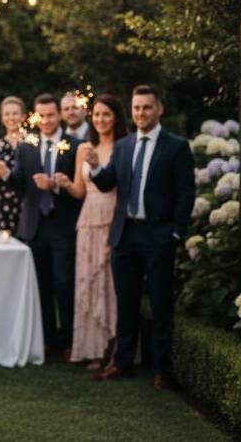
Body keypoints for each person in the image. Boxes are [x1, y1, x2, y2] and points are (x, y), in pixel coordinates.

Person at [88, 85, 195, 389]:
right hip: (125, 233)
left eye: (146, 107)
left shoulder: (176, 146)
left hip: (158, 234)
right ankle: (123, 363)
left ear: (159, 109)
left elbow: (186, 193)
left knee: (161, 304)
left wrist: (175, 232)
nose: (140, 113)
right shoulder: (123, 145)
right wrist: (96, 168)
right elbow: (109, 183)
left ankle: (162, 369)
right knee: (126, 303)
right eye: (136, 108)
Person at [0, 93, 82, 361]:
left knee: (64, 284)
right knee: (40, 285)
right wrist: (5, 173)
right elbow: (18, 182)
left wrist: (58, 184)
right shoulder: (27, 145)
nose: (47, 120)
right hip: (34, 225)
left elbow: (81, 186)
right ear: (35, 116)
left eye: (51, 115)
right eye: (41, 115)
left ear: (59, 115)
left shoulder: (75, 144)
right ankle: (48, 340)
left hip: (63, 224)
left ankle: (68, 340)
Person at [55, 94, 128, 368]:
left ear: (116, 118)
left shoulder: (124, 146)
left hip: (112, 217)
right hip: (87, 219)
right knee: (88, 282)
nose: (100, 120)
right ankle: (91, 349)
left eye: (106, 114)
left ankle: (116, 347)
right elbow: (79, 190)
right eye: (97, 114)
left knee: (110, 283)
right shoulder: (84, 147)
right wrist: (63, 183)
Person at [0, 96, 27, 233]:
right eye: (7, 114)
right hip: (5, 204)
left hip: (28, 203)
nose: (11, 117)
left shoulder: (32, 142)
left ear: (23, 116)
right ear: (2, 118)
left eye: (15, 113)